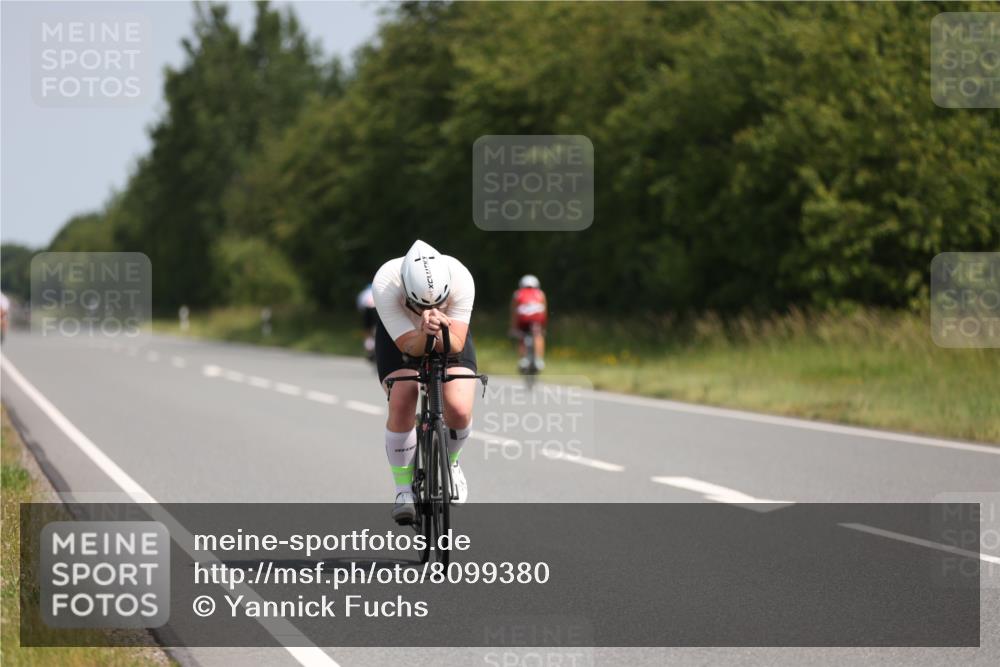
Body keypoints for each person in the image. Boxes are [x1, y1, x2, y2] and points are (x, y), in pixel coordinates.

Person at [372, 240, 478, 524]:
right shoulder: (386, 282)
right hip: (403, 336)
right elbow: (409, 348)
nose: (429, 308)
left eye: (438, 302)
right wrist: (422, 332)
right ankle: (403, 490)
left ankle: (452, 463)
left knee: (458, 407)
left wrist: (440, 328)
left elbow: (454, 345)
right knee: (403, 394)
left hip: (449, 332)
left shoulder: (461, 278)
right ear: (406, 293)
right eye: (420, 304)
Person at [510, 274, 547, 371]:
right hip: (537, 319)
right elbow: (544, 311)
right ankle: (539, 360)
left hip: (523, 319)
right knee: (538, 336)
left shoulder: (518, 294)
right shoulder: (540, 294)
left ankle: (523, 359)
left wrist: (513, 328)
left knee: (522, 335)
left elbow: (514, 313)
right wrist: (543, 327)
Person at [356, 283, 377, 360]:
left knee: (367, 331)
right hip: (376, 309)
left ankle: (369, 350)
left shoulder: (363, 293)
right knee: (376, 329)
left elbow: (360, 305)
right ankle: (376, 347)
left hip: (366, 310)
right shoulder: (377, 291)